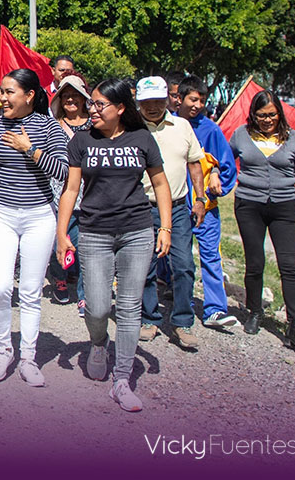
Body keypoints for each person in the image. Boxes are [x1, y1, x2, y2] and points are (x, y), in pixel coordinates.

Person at [59, 78, 173, 412]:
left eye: (98, 104)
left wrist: (164, 227)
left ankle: (121, 378)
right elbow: (70, 189)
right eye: (90, 103)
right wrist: (61, 233)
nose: (91, 109)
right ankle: (98, 343)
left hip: (137, 231)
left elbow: (161, 184)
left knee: (128, 306)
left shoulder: (142, 139)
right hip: (94, 231)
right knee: (96, 307)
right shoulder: (82, 141)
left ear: (120, 108)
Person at [0, 68, 68, 386]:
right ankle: (3, 349)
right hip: (0, 213)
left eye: (9, 92)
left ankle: (27, 357)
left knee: (29, 291)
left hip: (39, 216)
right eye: (1, 91)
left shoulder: (49, 127)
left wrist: (30, 149)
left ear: (28, 95)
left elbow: (64, 172)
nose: (2, 97)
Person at [229, 89, 295, 348]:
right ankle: (255, 312)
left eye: (272, 114)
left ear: (279, 113)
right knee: (255, 263)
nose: (267, 120)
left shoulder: (293, 139)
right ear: (253, 115)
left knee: (290, 267)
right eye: (261, 115)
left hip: (284, 206)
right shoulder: (241, 135)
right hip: (249, 204)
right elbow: (225, 161)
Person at [135, 76, 207, 349]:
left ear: (169, 99)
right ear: (138, 103)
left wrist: (200, 199)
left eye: (157, 101)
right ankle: (149, 318)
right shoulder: (131, 129)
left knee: (184, 266)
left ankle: (182, 322)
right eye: (146, 102)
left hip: (177, 208)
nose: (152, 107)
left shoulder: (183, 126)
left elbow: (195, 166)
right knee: (145, 266)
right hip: (141, 207)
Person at [177, 75, 238, 329]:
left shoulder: (211, 130)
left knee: (211, 256)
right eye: (193, 99)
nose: (197, 105)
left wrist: (215, 182)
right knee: (179, 258)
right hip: (177, 204)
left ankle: (215, 309)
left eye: (201, 100)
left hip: (206, 207)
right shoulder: (169, 126)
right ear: (178, 98)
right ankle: (182, 303)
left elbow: (227, 167)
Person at [48, 75, 93, 310]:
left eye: (76, 95)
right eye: (66, 96)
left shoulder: (95, 125)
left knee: (88, 245)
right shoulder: (53, 124)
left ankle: (87, 293)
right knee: (61, 237)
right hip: (59, 190)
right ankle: (60, 279)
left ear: (84, 99)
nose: (71, 100)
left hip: (90, 191)